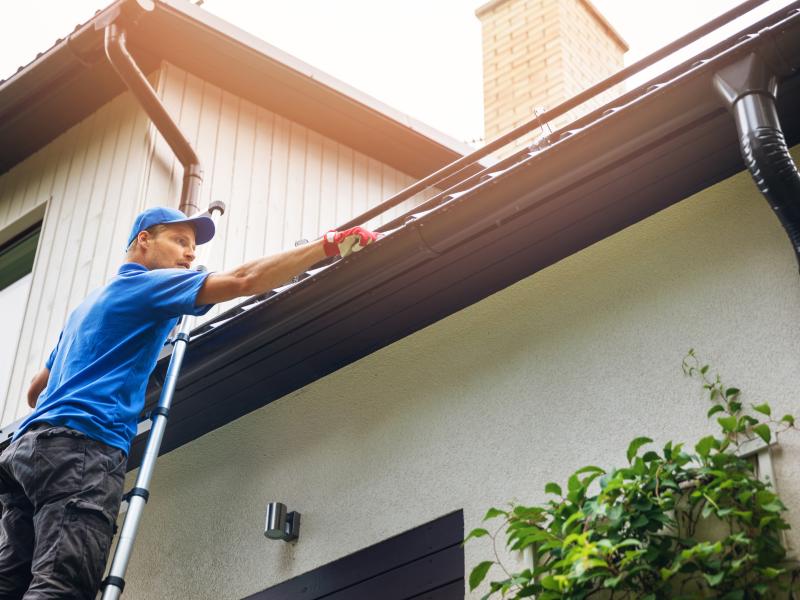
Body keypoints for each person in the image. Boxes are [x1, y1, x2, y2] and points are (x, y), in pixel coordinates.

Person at [0, 206, 377, 599]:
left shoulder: (85, 309)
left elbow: (35, 392)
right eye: (180, 241)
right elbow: (244, 279)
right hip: (81, 450)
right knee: (62, 586)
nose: (190, 254)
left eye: (193, 247)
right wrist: (327, 245)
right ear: (144, 241)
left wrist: (120, 370)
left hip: (26, 454)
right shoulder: (147, 287)